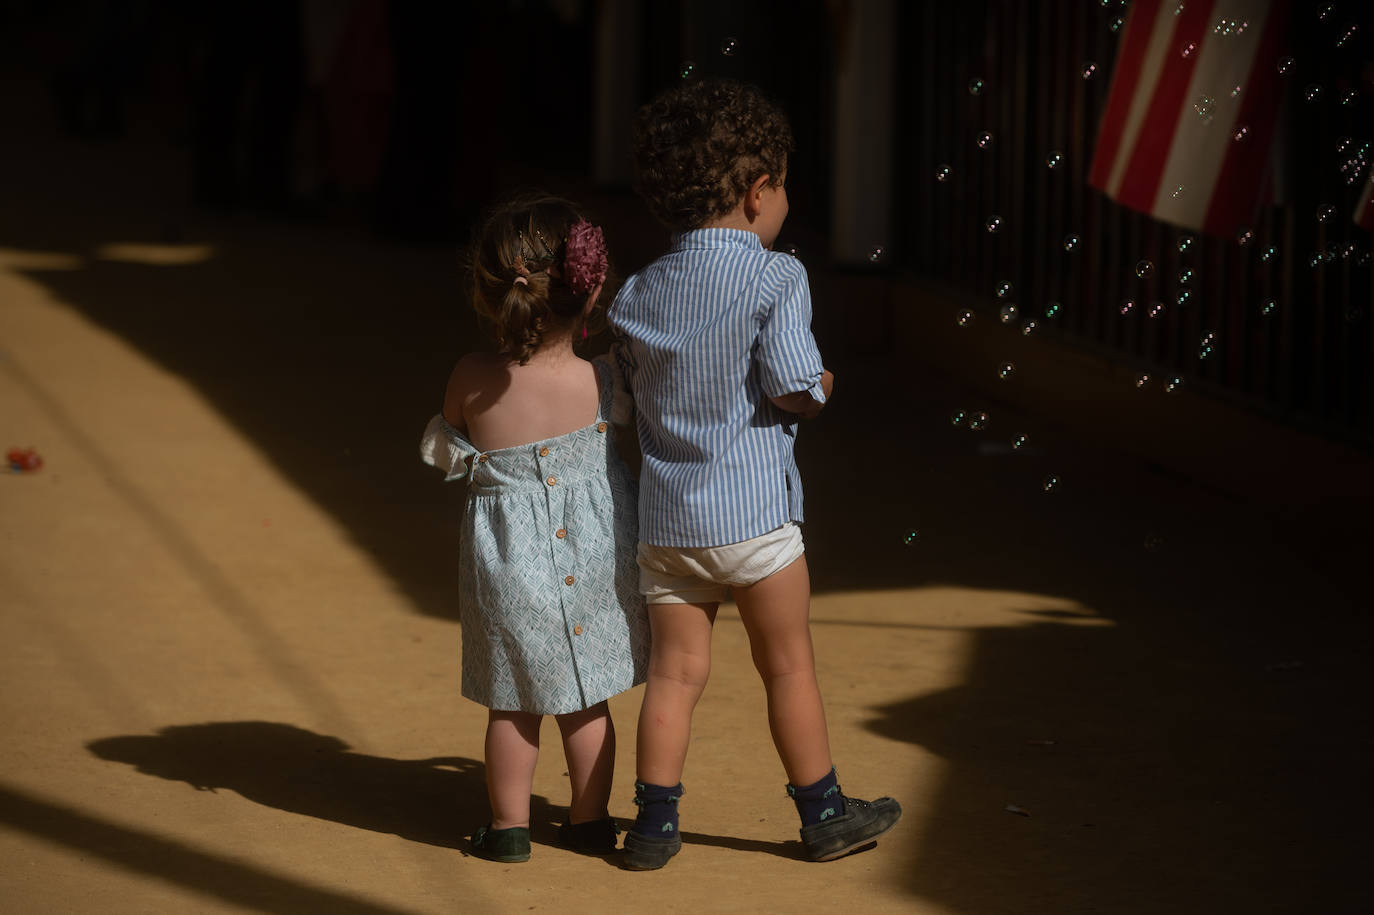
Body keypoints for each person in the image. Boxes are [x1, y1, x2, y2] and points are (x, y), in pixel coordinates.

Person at [609, 78, 902, 870]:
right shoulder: (777, 277)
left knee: (673, 675)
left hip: (668, 527)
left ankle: (653, 826)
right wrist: (823, 387)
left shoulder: (636, 293)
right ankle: (824, 810)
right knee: (787, 663)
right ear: (755, 191)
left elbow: (624, 403)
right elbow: (792, 387)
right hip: (757, 525)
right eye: (780, 186)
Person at [420, 195, 649, 863]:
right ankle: (588, 821)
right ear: (592, 287)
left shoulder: (471, 376)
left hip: (508, 562)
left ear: (493, 292)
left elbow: (445, 449)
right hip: (596, 552)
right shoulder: (602, 378)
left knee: (512, 704)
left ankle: (509, 828)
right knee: (586, 698)